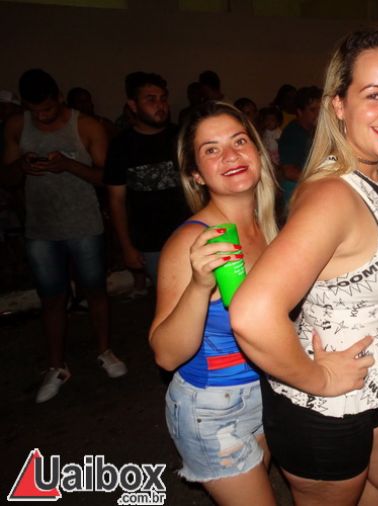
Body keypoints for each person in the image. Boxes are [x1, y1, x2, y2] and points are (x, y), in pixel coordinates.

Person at [230, 28, 378, 505]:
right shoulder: (333, 196)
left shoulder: (377, 172)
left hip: (373, 380)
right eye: (374, 94)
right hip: (323, 404)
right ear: (338, 104)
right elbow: (252, 313)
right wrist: (319, 379)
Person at [148, 101, 278, 505]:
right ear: (196, 174)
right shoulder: (193, 240)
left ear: (257, 151)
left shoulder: (268, 227)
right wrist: (199, 286)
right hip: (213, 406)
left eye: (239, 141)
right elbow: (166, 355)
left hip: (265, 390)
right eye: (211, 149)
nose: (231, 155)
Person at [2, 69, 127, 403]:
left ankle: (105, 351)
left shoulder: (85, 126)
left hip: (84, 224)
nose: (42, 116)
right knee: (52, 298)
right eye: (35, 111)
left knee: (95, 291)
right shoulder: (17, 126)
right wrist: (22, 166)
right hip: (41, 228)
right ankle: (56, 365)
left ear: (59, 97)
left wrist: (69, 165)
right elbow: (7, 179)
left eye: (47, 109)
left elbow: (107, 177)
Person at [104, 72, 189, 290]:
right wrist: (126, 246)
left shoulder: (182, 137)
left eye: (163, 99)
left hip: (191, 232)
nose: (160, 105)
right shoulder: (121, 146)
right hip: (151, 242)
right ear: (133, 105)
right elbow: (116, 200)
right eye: (151, 100)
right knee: (169, 298)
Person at [276, 85, 322, 208]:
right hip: (296, 191)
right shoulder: (292, 133)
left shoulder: (316, 130)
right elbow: (289, 172)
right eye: (313, 110)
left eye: (320, 109)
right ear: (300, 112)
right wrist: (321, 178)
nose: (318, 114)